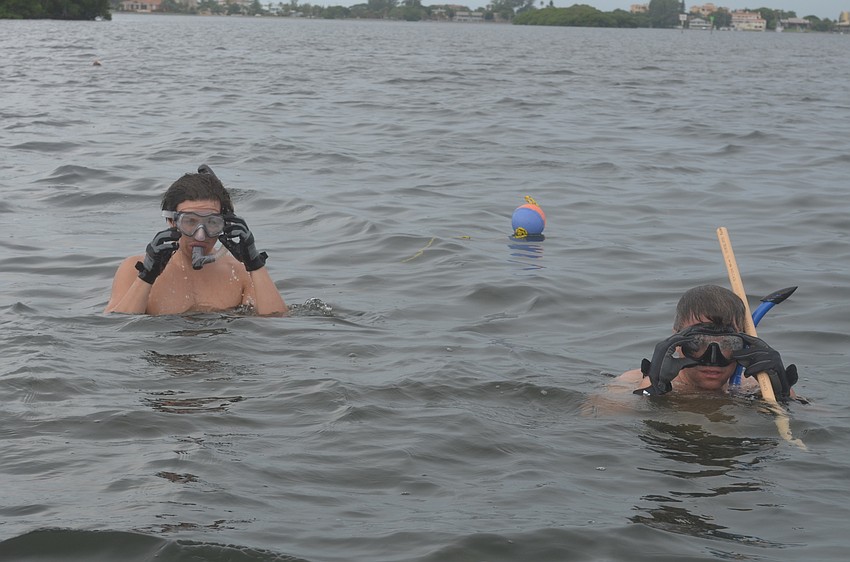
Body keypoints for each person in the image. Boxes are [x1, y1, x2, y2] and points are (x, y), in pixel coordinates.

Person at [105, 165, 288, 316]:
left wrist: (255, 263)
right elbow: (117, 330)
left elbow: (275, 325)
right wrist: (147, 276)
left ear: (226, 224)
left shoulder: (239, 272)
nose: (201, 235)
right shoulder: (133, 268)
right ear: (171, 221)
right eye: (190, 222)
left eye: (212, 223)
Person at [616, 285, 798, 400]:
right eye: (698, 342)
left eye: (727, 344)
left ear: (745, 343)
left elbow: (813, 420)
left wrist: (783, 395)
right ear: (675, 340)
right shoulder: (632, 382)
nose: (713, 358)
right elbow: (597, 417)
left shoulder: (754, 387)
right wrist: (651, 388)